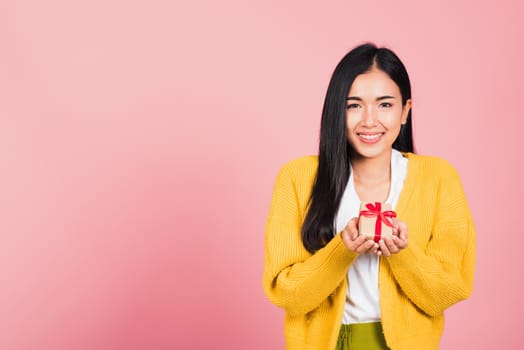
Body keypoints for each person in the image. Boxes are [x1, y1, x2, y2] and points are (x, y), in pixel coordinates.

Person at [262, 43, 476, 350]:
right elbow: (286, 293)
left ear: (405, 111)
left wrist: (403, 252)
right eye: (354, 105)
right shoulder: (297, 178)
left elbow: (447, 291)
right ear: (337, 111)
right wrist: (342, 249)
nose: (369, 120)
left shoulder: (439, 178)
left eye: (385, 105)